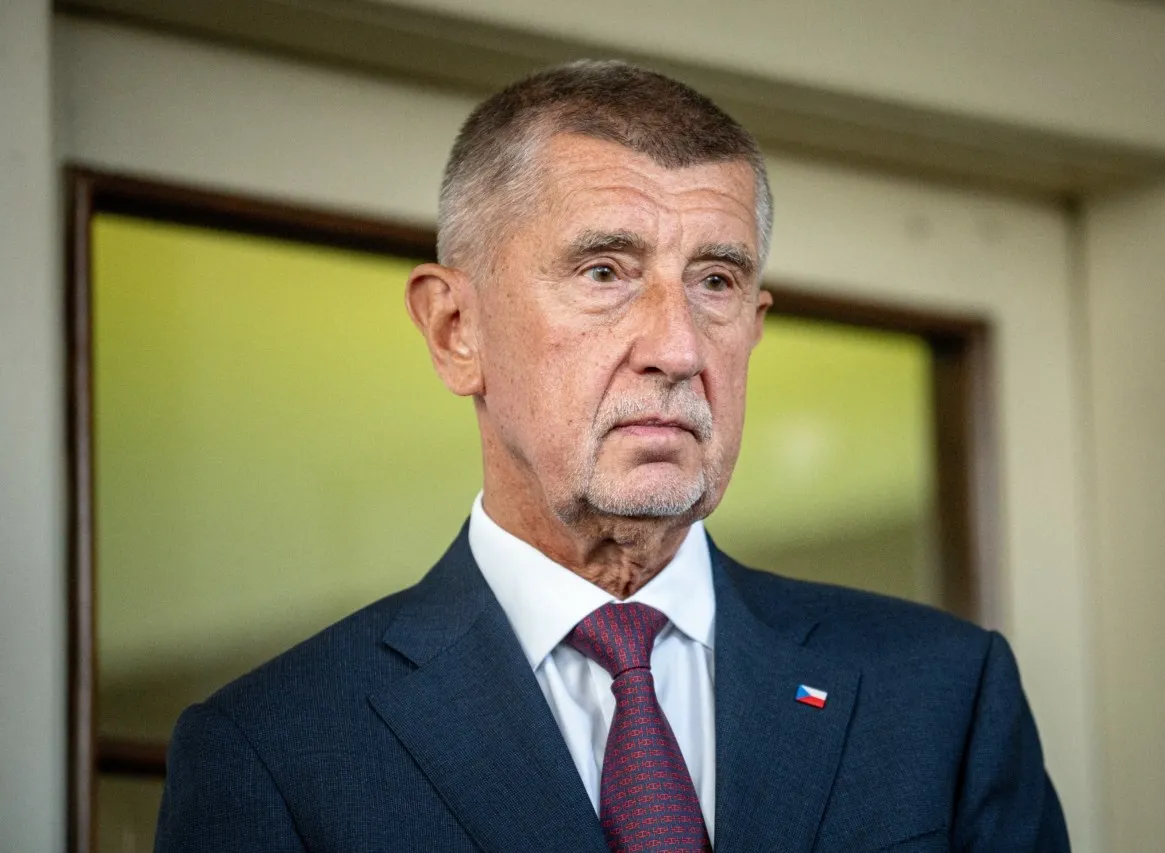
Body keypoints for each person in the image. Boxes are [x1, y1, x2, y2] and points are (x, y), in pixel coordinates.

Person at [156, 60, 1069, 852]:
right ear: (455, 329)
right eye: (605, 271)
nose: (677, 346)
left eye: (716, 280)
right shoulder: (274, 750)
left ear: (754, 325)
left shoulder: (942, 695)